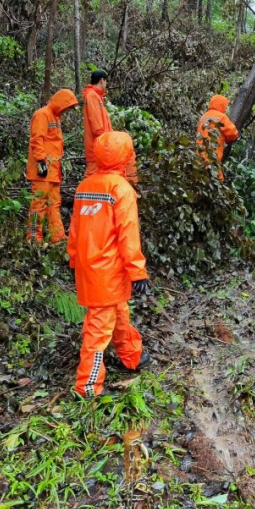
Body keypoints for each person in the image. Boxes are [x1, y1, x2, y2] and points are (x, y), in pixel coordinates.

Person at [67, 131, 150, 399]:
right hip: (109, 271)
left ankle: (131, 357)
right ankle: (87, 387)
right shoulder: (121, 190)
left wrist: (73, 260)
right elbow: (128, 235)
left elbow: (75, 231)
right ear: (126, 155)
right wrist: (138, 272)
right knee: (98, 329)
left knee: (120, 312)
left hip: (91, 268)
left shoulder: (85, 186)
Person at [26, 88, 79, 244]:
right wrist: (41, 162)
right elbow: (37, 140)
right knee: (38, 204)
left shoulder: (55, 118)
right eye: (67, 107)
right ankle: (34, 237)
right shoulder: (42, 114)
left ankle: (58, 237)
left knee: (54, 204)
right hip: (42, 170)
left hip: (53, 170)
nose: (67, 111)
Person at [82, 69, 138, 185]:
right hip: (99, 147)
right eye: (106, 82)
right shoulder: (92, 96)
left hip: (102, 145)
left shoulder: (96, 96)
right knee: (92, 177)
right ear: (102, 81)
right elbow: (97, 128)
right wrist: (109, 144)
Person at [196, 94, 239, 181]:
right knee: (218, 180)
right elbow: (232, 133)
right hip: (212, 156)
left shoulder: (203, 117)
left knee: (200, 180)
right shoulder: (221, 117)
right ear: (222, 105)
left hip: (199, 156)